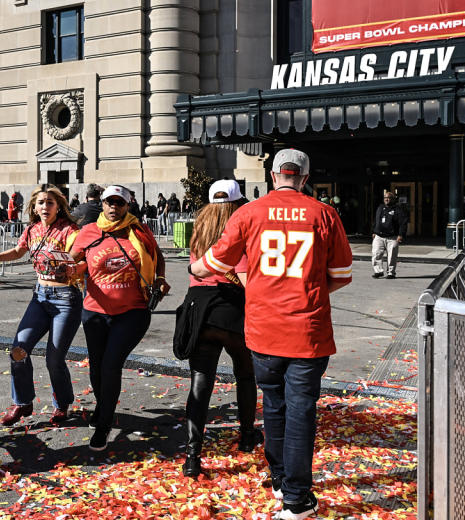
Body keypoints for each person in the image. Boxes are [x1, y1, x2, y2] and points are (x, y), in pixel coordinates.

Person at [189, 148, 352, 520]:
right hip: (307, 331)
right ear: (305, 178)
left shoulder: (249, 212)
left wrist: (197, 266)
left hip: (263, 329)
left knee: (274, 406)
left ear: (273, 175)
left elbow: (214, 263)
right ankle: (295, 497)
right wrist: (305, 290)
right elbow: (341, 275)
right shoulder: (324, 214)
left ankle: (280, 479)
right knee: (301, 412)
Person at [68, 185, 170, 451]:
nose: (114, 208)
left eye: (120, 203)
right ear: (101, 204)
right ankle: (104, 407)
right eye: (109, 203)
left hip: (132, 312)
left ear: (128, 206)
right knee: (96, 367)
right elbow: (75, 261)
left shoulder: (139, 231)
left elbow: (157, 257)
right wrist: (69, 268)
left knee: (111, 365)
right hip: (95, 311)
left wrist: (159, 279)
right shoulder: (89, 232)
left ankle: (103, 425)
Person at [177, 179, 260, 478]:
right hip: (233, 306)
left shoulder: (200, 228)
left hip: (200, 308)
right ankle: (247, 435)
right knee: (245, 375)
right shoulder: (240, 228)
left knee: (200, 383)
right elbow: (245, 270)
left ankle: (192, 455)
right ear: (238, 203)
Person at [0, 184, 83, 427]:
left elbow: (77, 252)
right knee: (18, 350)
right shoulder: (32, 230)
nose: (45, 206)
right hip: (40, 297)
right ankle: (22, 402)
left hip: (65, 299)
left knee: (54, 359)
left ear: (58, 206)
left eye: (50, 202)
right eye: (41, 202)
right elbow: (19, 251)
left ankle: (62, 405)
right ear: (34, 207)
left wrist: (71, 262)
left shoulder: (69, 230)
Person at [371, 190, 408, 279]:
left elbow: (403, 223)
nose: (387, 199)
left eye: (389, 198)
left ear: (393, 199)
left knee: (392, 256)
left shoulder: (398, 209)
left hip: (392, 237)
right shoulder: (380, 208)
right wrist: (374, 231)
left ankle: (391, 273)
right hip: (379, 236)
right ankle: (378, 271)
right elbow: (376, 220)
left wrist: (401, 235)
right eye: (385, 198)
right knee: (376, 254)